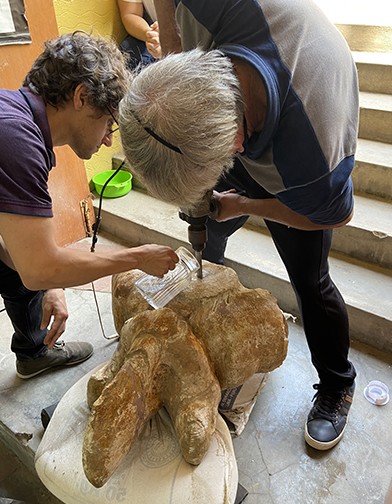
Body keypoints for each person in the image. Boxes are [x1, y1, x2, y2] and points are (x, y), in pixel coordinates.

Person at [118, 0, 359, 452]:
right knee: (208, 216)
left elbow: (336, 215)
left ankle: (336, 384)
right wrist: (173, 51)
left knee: (311, 280)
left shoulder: (309, 162)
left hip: (302, 113)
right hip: (219, 98)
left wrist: (246, 203)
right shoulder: (206, 17)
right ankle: (203, 287)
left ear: (236, 145)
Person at [0, 31, 178, 381]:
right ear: (81, 97)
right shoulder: (16, 140)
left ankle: (35, 352)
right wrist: (138, 257)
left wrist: (51, 281)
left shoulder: (17, 118)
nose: (109, 138)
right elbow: (38, 266)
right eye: (109, 123)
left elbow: (16, 243)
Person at [118, 0, 161, 69]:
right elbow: (131, 14)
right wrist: (151, 36)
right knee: (130, 52)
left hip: (181, 26)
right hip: (152, 27)